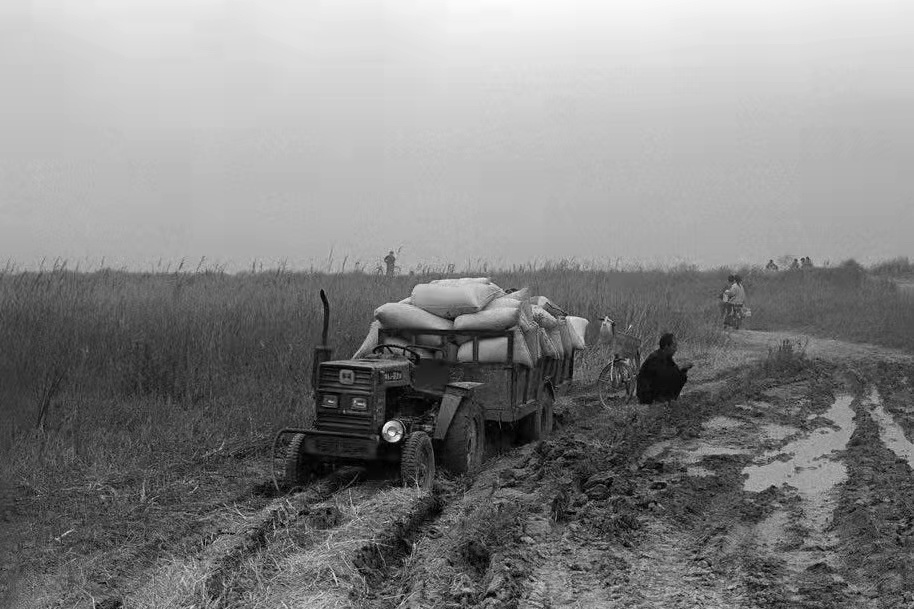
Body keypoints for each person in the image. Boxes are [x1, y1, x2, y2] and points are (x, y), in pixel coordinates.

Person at [636, 333, 693, 405]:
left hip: (654, 388)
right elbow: (664, 376)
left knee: (681, 376)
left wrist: (683, 369)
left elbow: (672, 370)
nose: (676, 349)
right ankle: (661, 400)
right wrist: (680, 369)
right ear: (666, 346)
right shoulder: (655, 358)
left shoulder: (666, 357)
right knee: (677, 376)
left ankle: (668, 399)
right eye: (674, 346)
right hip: (647, 394)